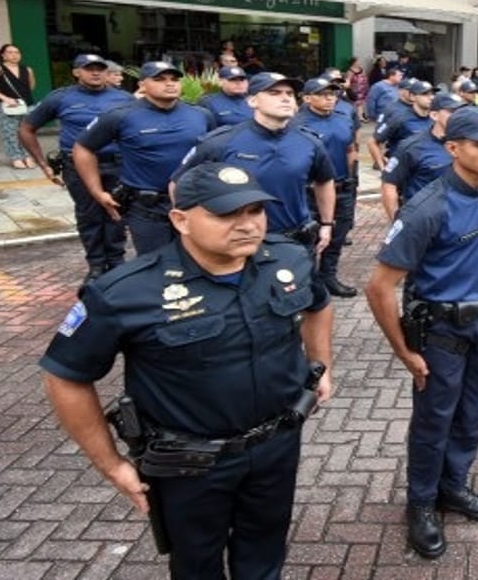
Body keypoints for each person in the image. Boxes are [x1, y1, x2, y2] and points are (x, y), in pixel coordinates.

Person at [39, 162, 333, 579]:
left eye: (255, 211)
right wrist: (109, 463)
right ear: (181, 220)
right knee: (197, 563)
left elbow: (318, 305)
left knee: (265, 552)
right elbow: (65, 376)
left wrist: (321, 367)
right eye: (227, 214)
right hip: (190, 465)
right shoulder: (126, 291)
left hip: (277, 444)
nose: (247, 224)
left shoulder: (288, 258)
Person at [364, 106, 478, 560]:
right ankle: (421, 504)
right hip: (443, 332)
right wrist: (404, 352)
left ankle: (453, 488)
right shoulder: (425, 208)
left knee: (472, 414)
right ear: (453, 148)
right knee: (434, 423)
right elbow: (379, 287)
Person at [172, 73, 336, 256]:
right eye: (274, 93)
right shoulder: (221, 142)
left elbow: (324, 181)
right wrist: (192, 228)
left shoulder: (309, 142)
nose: (285, 99)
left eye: (289, 94)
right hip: (240, 242)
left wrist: (327, 224)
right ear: (252, 101)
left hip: (296, 241)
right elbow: (178, 183)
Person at [76, 61, 216, 256]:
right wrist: (97, 192)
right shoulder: (120, 116)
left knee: (200, 260)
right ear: (142, 85)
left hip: (193, 202)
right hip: (148, 209)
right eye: (159, 79)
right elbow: (83, 148)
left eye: (174, 79)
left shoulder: (201, 115)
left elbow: (214, 151)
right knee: (155, 266)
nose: (170, 84)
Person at [18, 54, 134, 285]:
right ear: (76, 72)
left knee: (117, 213)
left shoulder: (124, 98)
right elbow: (26, 128)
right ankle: (97, 265)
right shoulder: (61, 98)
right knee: (89, 214)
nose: (95, 72)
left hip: (116, 163)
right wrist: (43, 165)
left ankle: (116, 261)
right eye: (88, 68)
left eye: (100, 68)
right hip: (77, 166)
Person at [291, 77, 361, 297]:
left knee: (338, 235)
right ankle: (310, 283)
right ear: (307, 98)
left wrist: (351, 178)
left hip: (342, 187)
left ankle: (328, 277)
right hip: (309, 191)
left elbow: (350, 149)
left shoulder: (343, 118)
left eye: (332, 94)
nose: (329, 98)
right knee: (309, 238)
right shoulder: (295, 123)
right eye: (322, 94)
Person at [380, 92, 465, 221]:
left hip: (460, 218)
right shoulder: (412, 146)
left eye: (461, 111)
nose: (458, 116)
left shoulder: (469, 143)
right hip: (424, 221)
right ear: (434, 115)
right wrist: (398, 223)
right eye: (452, 111)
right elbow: (389, 184)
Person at [0, 43, 37, 169]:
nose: (14, 55)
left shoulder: (27, 69)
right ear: (3, 55)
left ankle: (27, 156)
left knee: (26, 132)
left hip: (26, 105)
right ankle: (16, 157)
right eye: (10, 52)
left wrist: (22, 98)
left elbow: (31, 86)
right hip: (6, 106)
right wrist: (4, 98)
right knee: (9, 132)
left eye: (17, 52)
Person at [367, 80, 434, 168]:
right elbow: (373, 141)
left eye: (432, 94)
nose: (431, 97)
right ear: (413, 96)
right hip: (404, 169)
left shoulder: (435, 118)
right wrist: (382, 165)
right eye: (425, 94)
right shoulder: (399, 117)